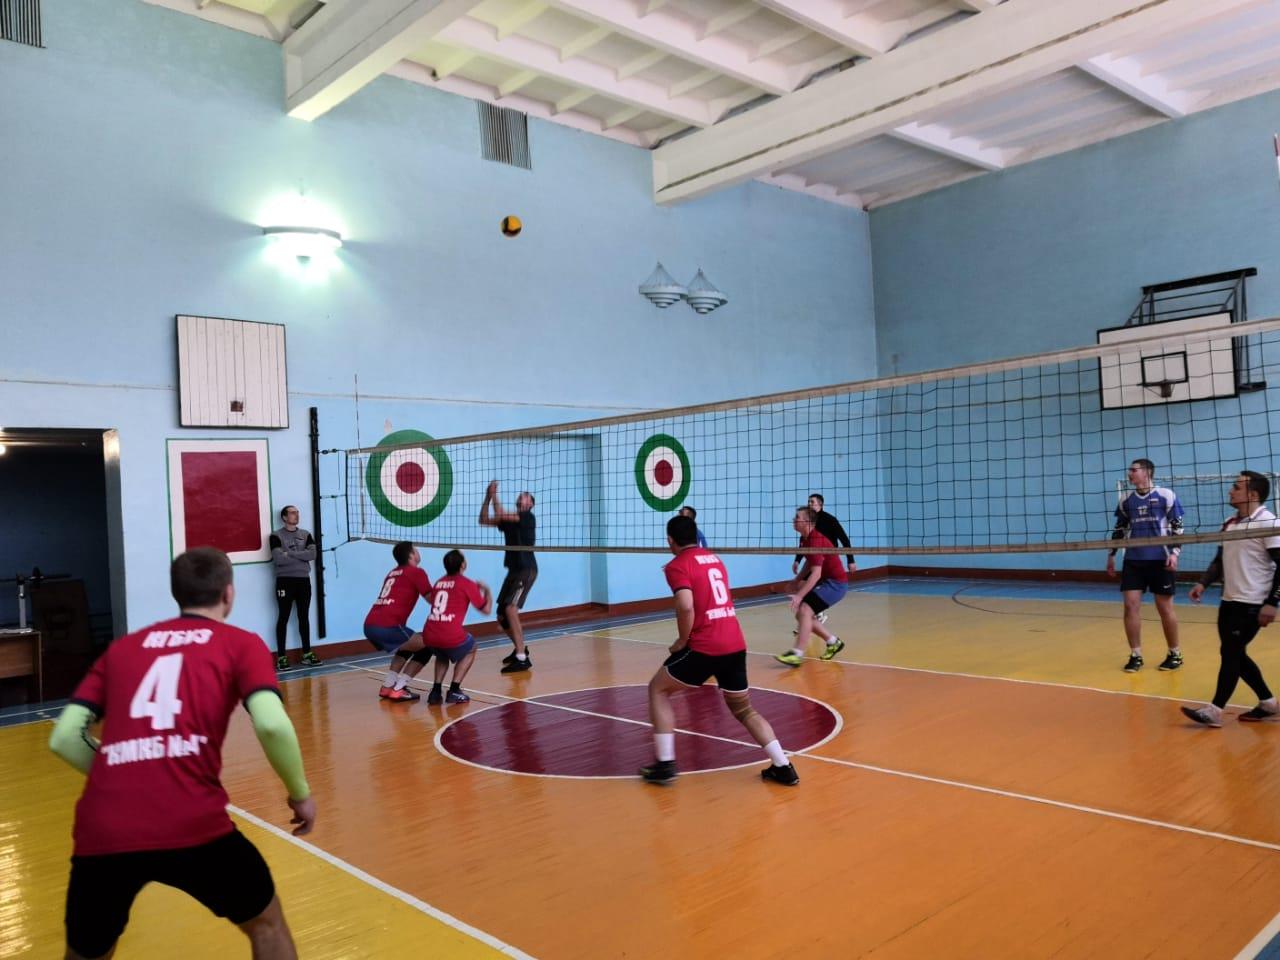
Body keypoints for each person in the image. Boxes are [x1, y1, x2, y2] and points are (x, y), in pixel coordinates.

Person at [48, 547, 315, 960]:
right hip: (194, 822)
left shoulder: (123, 649)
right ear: (229, 593)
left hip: (105, 828)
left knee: (87, 952)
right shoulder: (242, 644)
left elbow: (64, 737)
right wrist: (300, 793)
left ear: (177, 594)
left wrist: (123, 773)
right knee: (267, 925)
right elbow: (272, 724)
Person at [640, 515, 798, 786]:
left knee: (658, 689)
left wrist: (682, 640)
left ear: (670, 541)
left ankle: (665, 765)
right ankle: (783, 766)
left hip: (705, 646)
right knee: (744, 709)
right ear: (696, 535)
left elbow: (686, 605)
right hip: (734, 643)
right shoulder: (715, 559)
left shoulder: (677, 566)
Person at [1181, 471, 1280, 727]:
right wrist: (1203, 583)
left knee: (1231, 652)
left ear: (1253, 494)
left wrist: (1272, 602)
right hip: (1229, 601)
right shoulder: (1230, 523)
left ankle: (1215, 711)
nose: (1230, 491)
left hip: (1253, 603)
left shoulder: (1269, 522)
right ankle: (1268, 703)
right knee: (1232, 651)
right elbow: (1219, 560)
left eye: (1236, 487)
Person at [1106, 459, 1185, 672]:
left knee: (1164, 608)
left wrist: (1175, 553)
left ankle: (1175, 653)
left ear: (1147, 472)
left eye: (1134, 470)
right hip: (1134, 560)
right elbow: (1120, 529)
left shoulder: (1166, 495)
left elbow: (1178, 528)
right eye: (1130, 470)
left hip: (1161, 559)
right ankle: (1136, 655)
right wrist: (1112, 554)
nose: (1130, 473)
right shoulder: (1126, 499)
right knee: (1130, 606)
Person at [363, 540, 435, 703]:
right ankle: (399, 688)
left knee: (408, 644)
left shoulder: (393, 573)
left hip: (370, 624)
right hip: (387, 626)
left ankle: (388, 686)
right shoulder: (416, 572)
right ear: (411, 555)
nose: (418, 551)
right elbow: (432, 599)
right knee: (428, 645)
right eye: (416, 549)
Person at [776, 506, 848, 666]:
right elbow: (810, 562)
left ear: (807, 522)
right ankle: (833, 642)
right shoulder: (805, 539)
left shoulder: (815, 541)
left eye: (797, 518)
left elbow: (816, 574)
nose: (794, 520)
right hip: (827, 582)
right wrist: (796, 580)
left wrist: (799, 595)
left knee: (804, 610)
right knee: (801, 615)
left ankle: (797, 653)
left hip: (836, 585)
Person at [479, 480, 537, 674]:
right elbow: (483, 519)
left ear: (530, 504)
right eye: (521, 495)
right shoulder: (510, 519)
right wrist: (487, 497)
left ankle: (521, 658)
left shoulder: (527, 517)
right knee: (502, 615)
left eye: (526, 496)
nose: (522, 495)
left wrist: (494, 494)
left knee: (511, 609)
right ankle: (520, 649)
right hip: (513, 570)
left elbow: (501, 513)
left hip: (526, 570)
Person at [422, 549, 493, 705]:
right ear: (463, 565)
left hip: (429, 634)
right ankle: (454, 690)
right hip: (449, 635)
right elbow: (486, 610)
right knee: (472, 647)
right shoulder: (467, 584)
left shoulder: (439, 582)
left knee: (442, 653)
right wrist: (487, 591)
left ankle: (435, 692)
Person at [270, 505, 318, 670]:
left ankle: (307, 654)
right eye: (292, 513)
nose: (296, 515)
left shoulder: (305, 534)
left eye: (297, 512)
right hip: (285, 581)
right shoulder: (276, 536)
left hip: (303, 581)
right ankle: (282, 657)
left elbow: (312, 554)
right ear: (284, 517)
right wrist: (301, 556)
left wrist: (289, 553)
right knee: (283, 617)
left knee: (303, 617)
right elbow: (278, 559)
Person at [792, 493, 855, 575]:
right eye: (808, 502)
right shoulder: (808, 521)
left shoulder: (830, 520)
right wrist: (797, 561)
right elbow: (804, 542)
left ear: (820, 504)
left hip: (829, 559)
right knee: (805, 581)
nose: (809, 504)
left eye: (812, 502)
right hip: (814, 559)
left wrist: (851, 561)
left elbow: (844, 540)